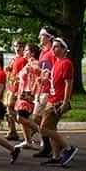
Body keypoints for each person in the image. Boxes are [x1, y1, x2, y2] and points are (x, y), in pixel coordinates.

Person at [38, 38, 79, 167]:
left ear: (63, 49)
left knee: (44, 129)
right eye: (53, 47)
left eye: (56, 47)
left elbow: (69, 84)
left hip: (58, 101)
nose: (53, 49)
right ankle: (56, 156)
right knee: (51, 129)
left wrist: (65, 102)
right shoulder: (56, 62)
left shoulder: (66, 63)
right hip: (51, 99)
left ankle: (68, 148)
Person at [33, 28, 57, 158]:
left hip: (48, 90)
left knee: (41, 120)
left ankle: (51, 146)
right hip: (40, 89)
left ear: (49, 37)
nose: (39, 37)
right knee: (38, 119)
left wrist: (46, 77)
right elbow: (44, 70)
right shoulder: (42, 53)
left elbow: (54, 70)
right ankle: (50, 145)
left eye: (41, 35)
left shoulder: (52, 52)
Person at [15, 43, 44, 149]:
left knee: (21, 117)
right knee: (23, 117)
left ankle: (45, 134)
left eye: (26, 50)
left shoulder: (34, 62)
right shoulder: (27, 63)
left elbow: (39, 72)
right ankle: (28, 140)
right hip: (22, 94)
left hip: (28, 95)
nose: (24, 52)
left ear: (32, 53)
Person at [6, 38, 29, 141]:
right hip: (11, 86)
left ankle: (28, 125)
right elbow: (12, 70)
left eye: (20, 46)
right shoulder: (15, 58)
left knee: (11, 107)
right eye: (16, 46)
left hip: (18, 87)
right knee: (8, 109)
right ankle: (12, 131)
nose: (17, 48)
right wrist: (9, 69)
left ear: (24, 48)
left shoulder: (24, 59)